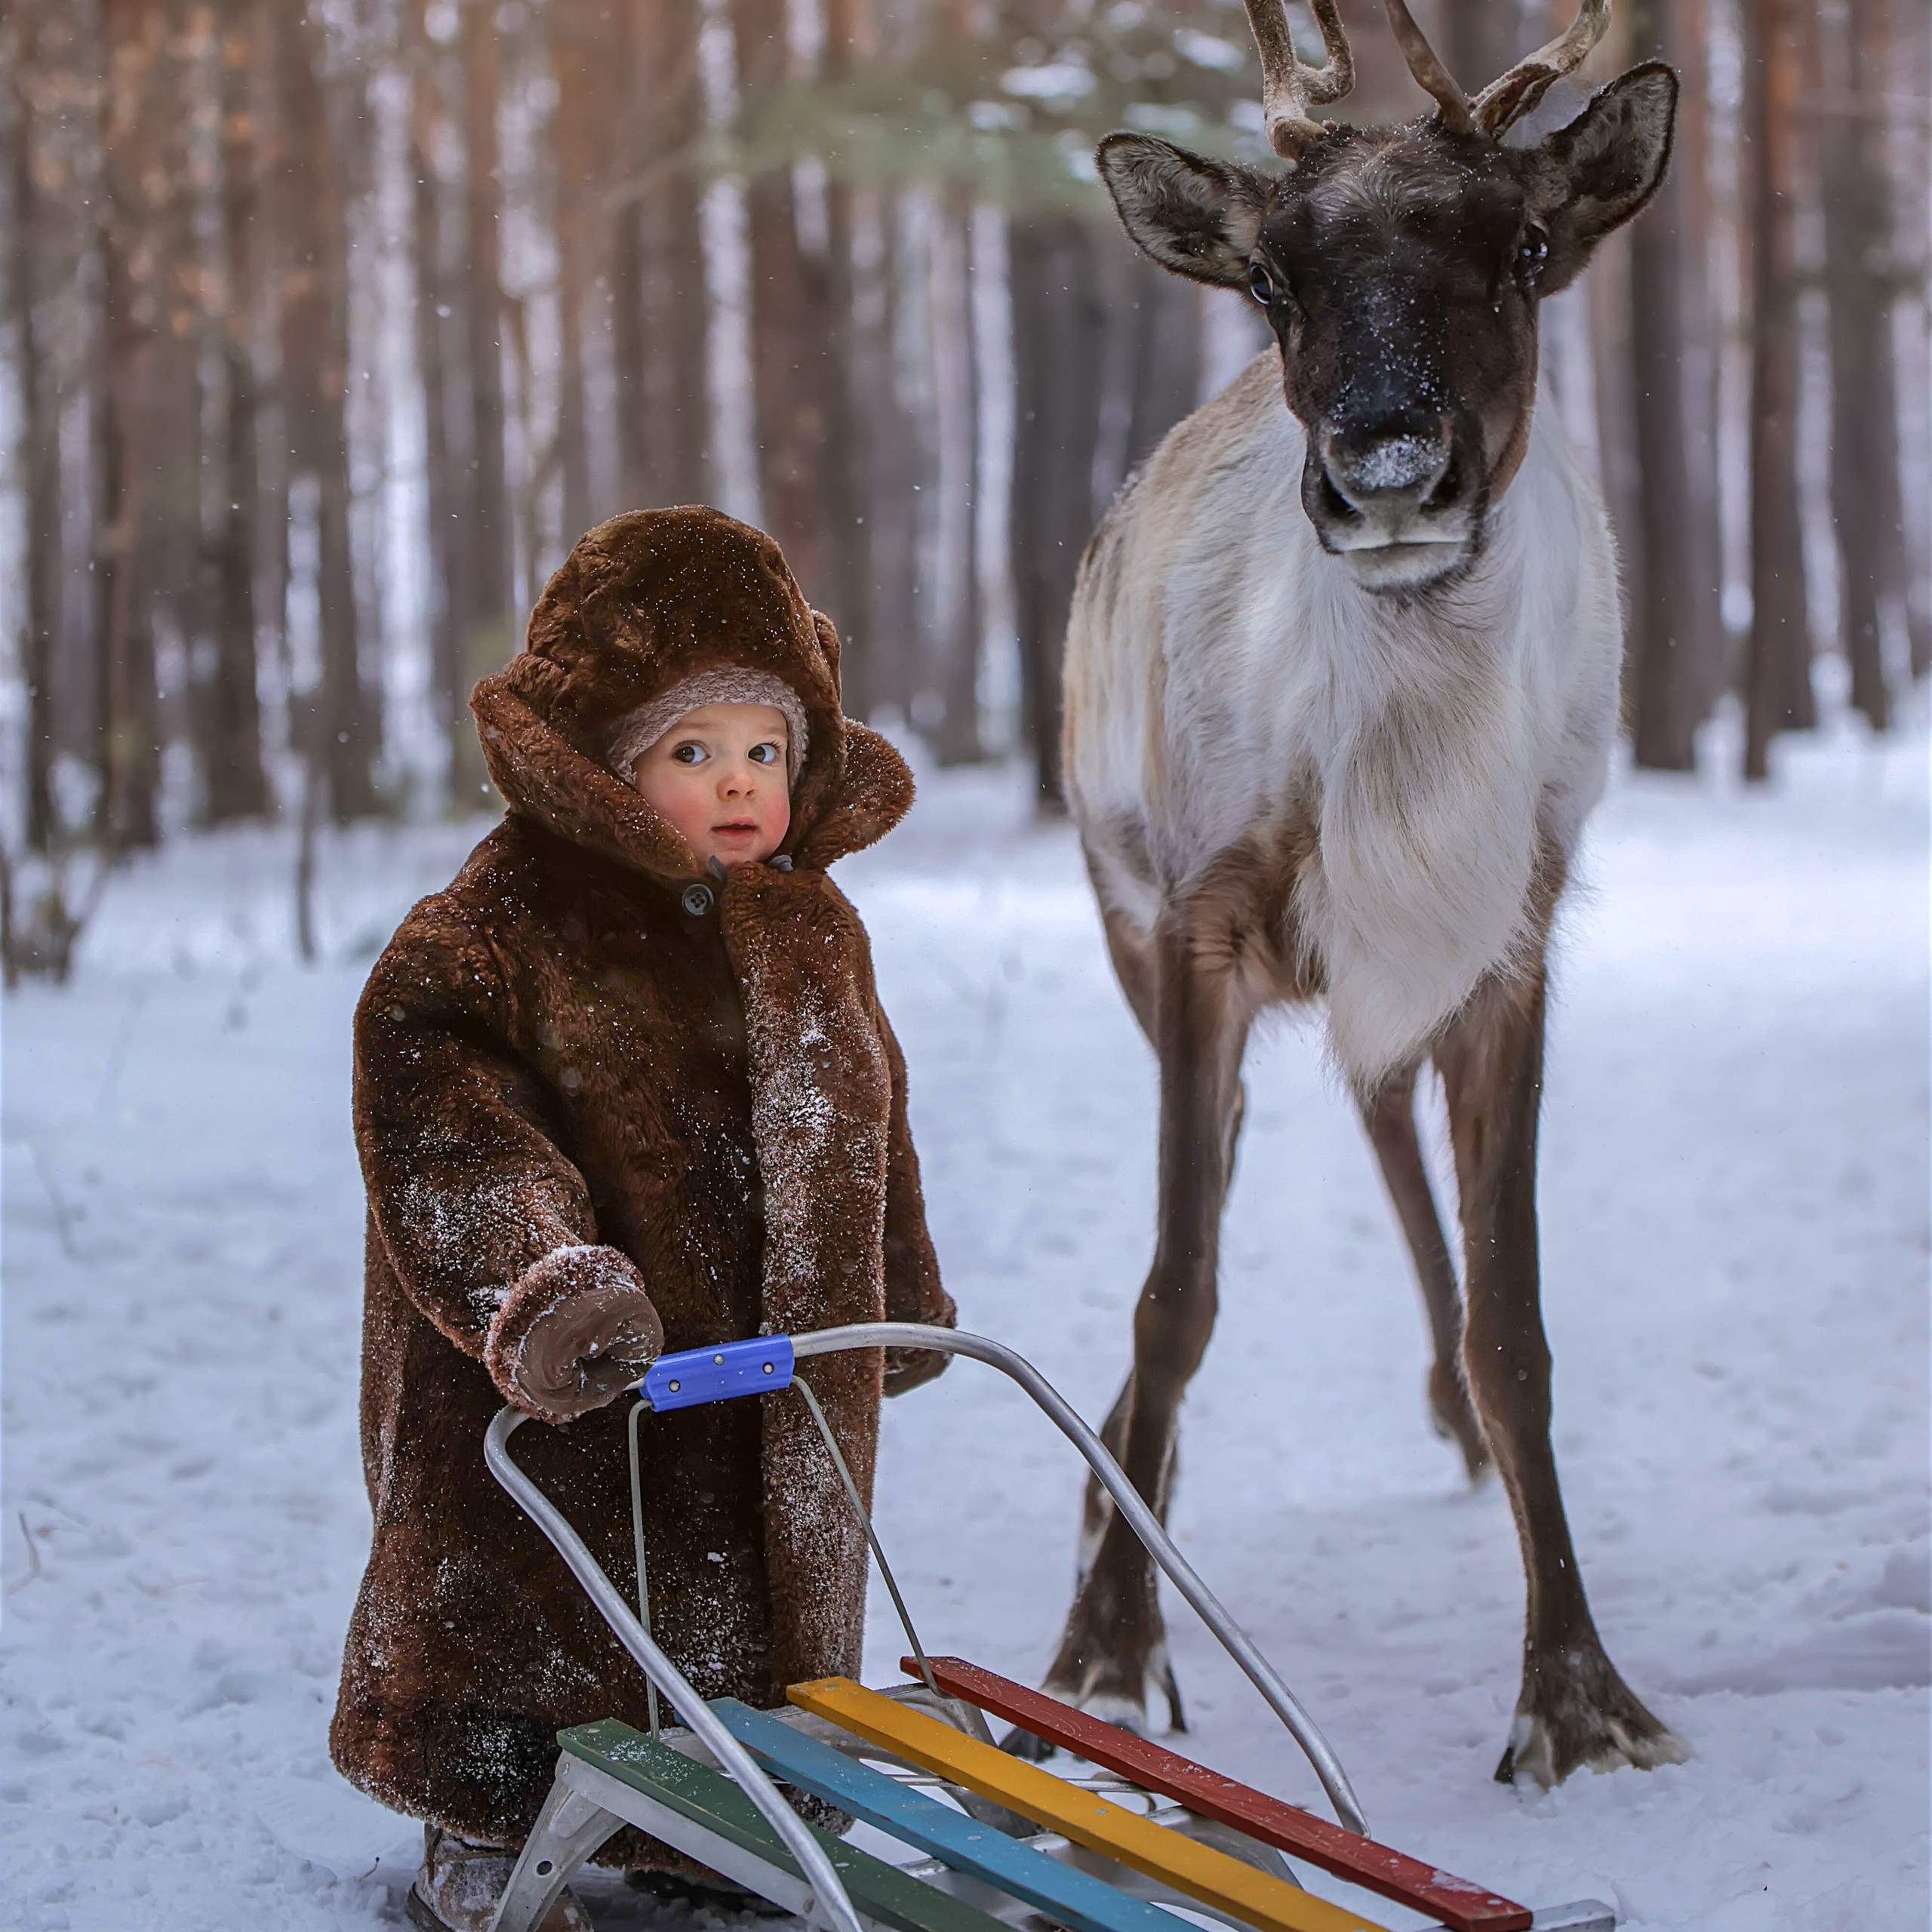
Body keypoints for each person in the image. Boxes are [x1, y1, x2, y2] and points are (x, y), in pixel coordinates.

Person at [329, 506, 955, 1932]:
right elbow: (452, 1132)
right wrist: (539, 1282)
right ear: (611, 764)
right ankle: (483, 1819)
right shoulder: (495, 933)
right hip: (566, 1365)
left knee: (738, 1594)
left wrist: (897, 1288)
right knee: (526, 1592)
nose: (739, 786)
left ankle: (722, 1807)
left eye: (765, 752)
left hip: (760, 1377)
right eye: (694, 752)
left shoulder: (809, 931)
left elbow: (862, 1120)